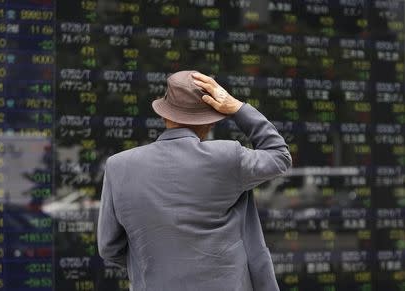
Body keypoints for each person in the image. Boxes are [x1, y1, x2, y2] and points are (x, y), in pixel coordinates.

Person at [97, 70, 292, 291]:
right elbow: (280, 155)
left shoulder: (118, 166)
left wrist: (154, 265)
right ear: (210, 123)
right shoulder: (227, 157)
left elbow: (109, 248)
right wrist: (237, 108)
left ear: (164, 115)